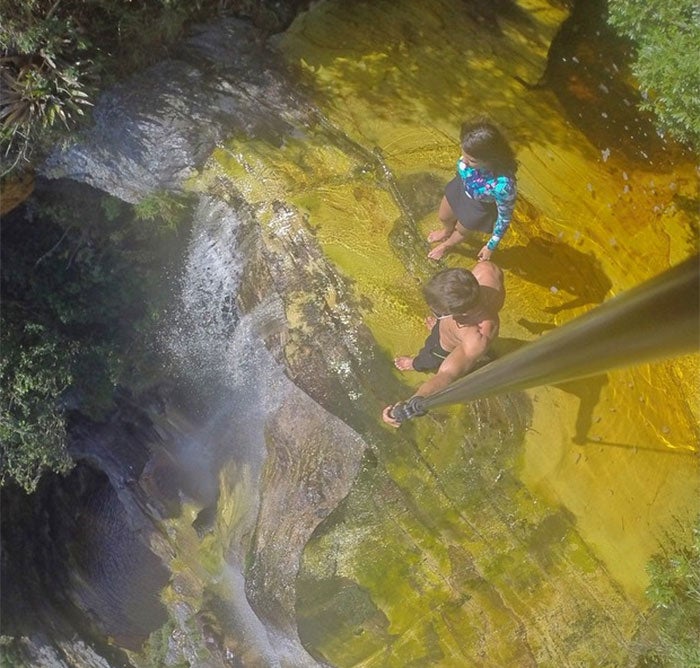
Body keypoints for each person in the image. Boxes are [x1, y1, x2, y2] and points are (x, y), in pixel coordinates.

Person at [382, 262, 505, 427]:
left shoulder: (476, 337)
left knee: (428, 358)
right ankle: (437, 327)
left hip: (443, 348)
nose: (435, 312)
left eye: (438, 313)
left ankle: (415, 364)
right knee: (440, 326)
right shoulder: (487, 271)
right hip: (451, 327)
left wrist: (412, 405)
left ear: (461, 314)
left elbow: (446, 375)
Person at [427, 119, 517, 262]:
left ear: (491, 160)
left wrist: (490, 246)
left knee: (462, 231)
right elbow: (466, 163)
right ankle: (446, 231)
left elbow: (504, 218)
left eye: (472, 161)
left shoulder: (503, 186)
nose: (464, 162)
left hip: (479, 206)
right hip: (461, 188)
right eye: (463, 154)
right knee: (444, 216)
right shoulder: (471, 151)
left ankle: (447, 245)